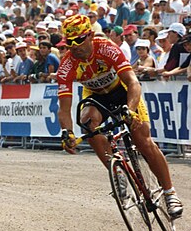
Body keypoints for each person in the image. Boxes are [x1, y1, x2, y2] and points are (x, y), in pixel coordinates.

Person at [57, 14, 183, 220]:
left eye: (78, 40)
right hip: (97, 97)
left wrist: (130, 110)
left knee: (143, 140)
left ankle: (170, 193)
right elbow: (64, 107)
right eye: (69, 43)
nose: (74, 47)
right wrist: (66, 132)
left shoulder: (105, 47)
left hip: (123, 90)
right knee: (87, 124)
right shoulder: (67, 66)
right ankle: (117, 173)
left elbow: (133, 83)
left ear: (89, 35)